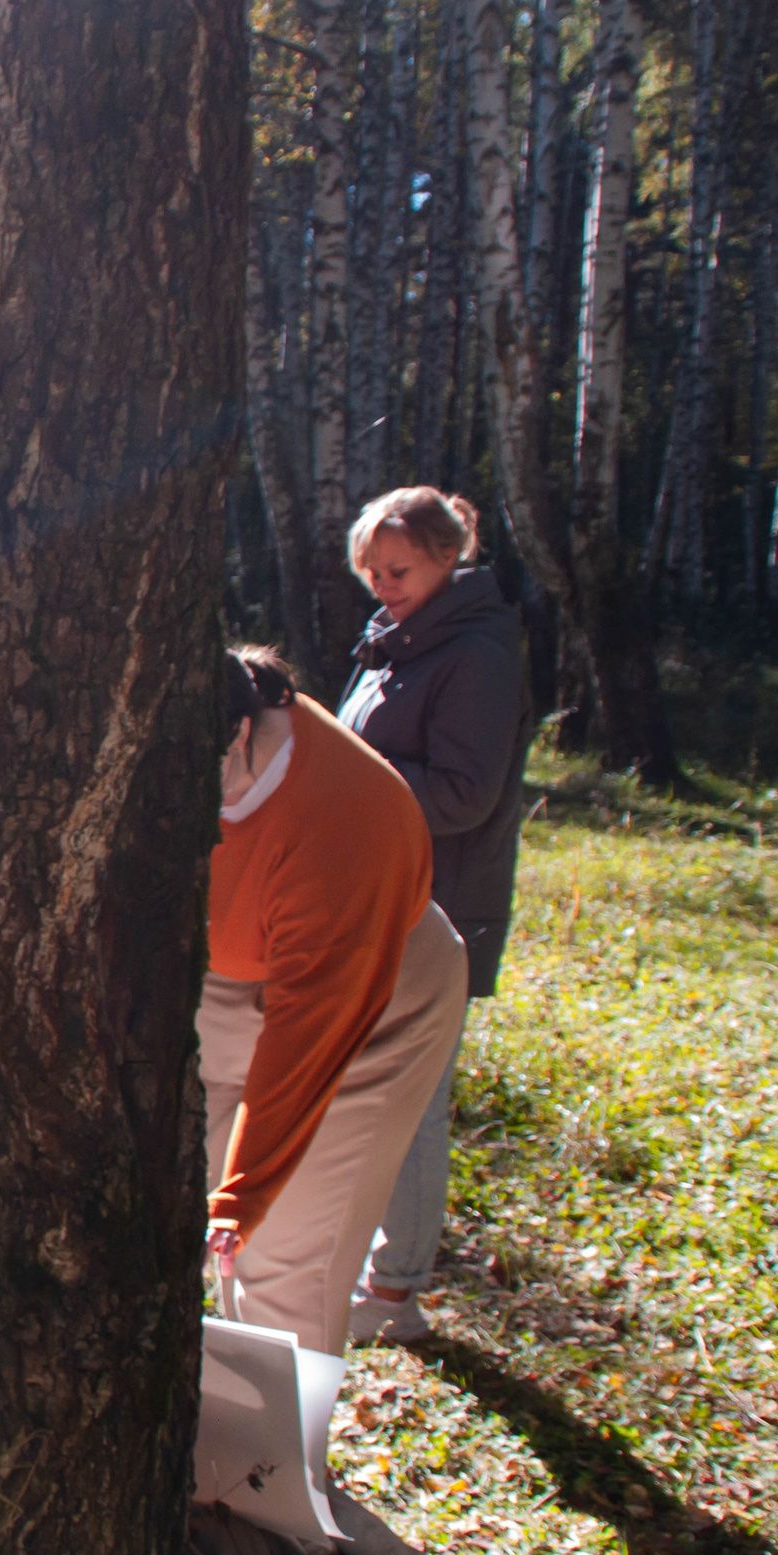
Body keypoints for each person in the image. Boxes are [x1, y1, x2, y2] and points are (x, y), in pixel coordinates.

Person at [200, 647, 469, 1364]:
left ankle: (278, 1439)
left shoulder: (339, 823)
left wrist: (241, 1199)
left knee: (281, 1255)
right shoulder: (202, 720)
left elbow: (304, 1046)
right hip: (234, 967)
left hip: (372, 1004)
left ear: (238, 733)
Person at [335, 487, 535, 1345]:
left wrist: (347, 782)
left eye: (399, 570)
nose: (383, 585)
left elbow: (463, 793)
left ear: (448, 558)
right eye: (372, 572)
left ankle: (395, 1293)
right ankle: (362, 1267)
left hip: (438, 910)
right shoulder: (397, 640)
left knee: (412, 1101)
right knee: (364, 1095)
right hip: (376, 901)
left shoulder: (477, 653)